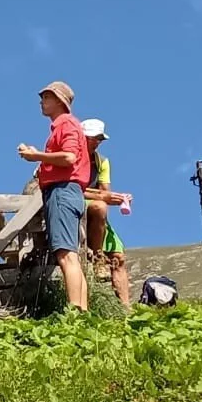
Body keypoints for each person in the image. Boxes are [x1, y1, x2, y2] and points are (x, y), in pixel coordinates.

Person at [17, 81, 91, 312]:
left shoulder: (66, 124)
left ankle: (74, 311)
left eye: (46, 97)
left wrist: (36, 155)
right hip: (71, 192)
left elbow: (69, 157)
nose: (42, 102)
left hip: (61, 191)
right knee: (72, 256)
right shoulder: (68, 125)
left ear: (60, 101)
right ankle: (82, 311)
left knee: (65, 255)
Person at [80, 118, 133, 309]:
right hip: (74, 205)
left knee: (119, 257)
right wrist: (104, 197)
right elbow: (71, 188)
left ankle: (126, 309)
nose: (95, 142)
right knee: (99, 206)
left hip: (95, 211)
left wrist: (114, 197)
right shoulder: (72, 158)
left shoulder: (101, 162)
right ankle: (97, 257)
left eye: (99, 139)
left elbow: (105, 191)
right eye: (92, 138)